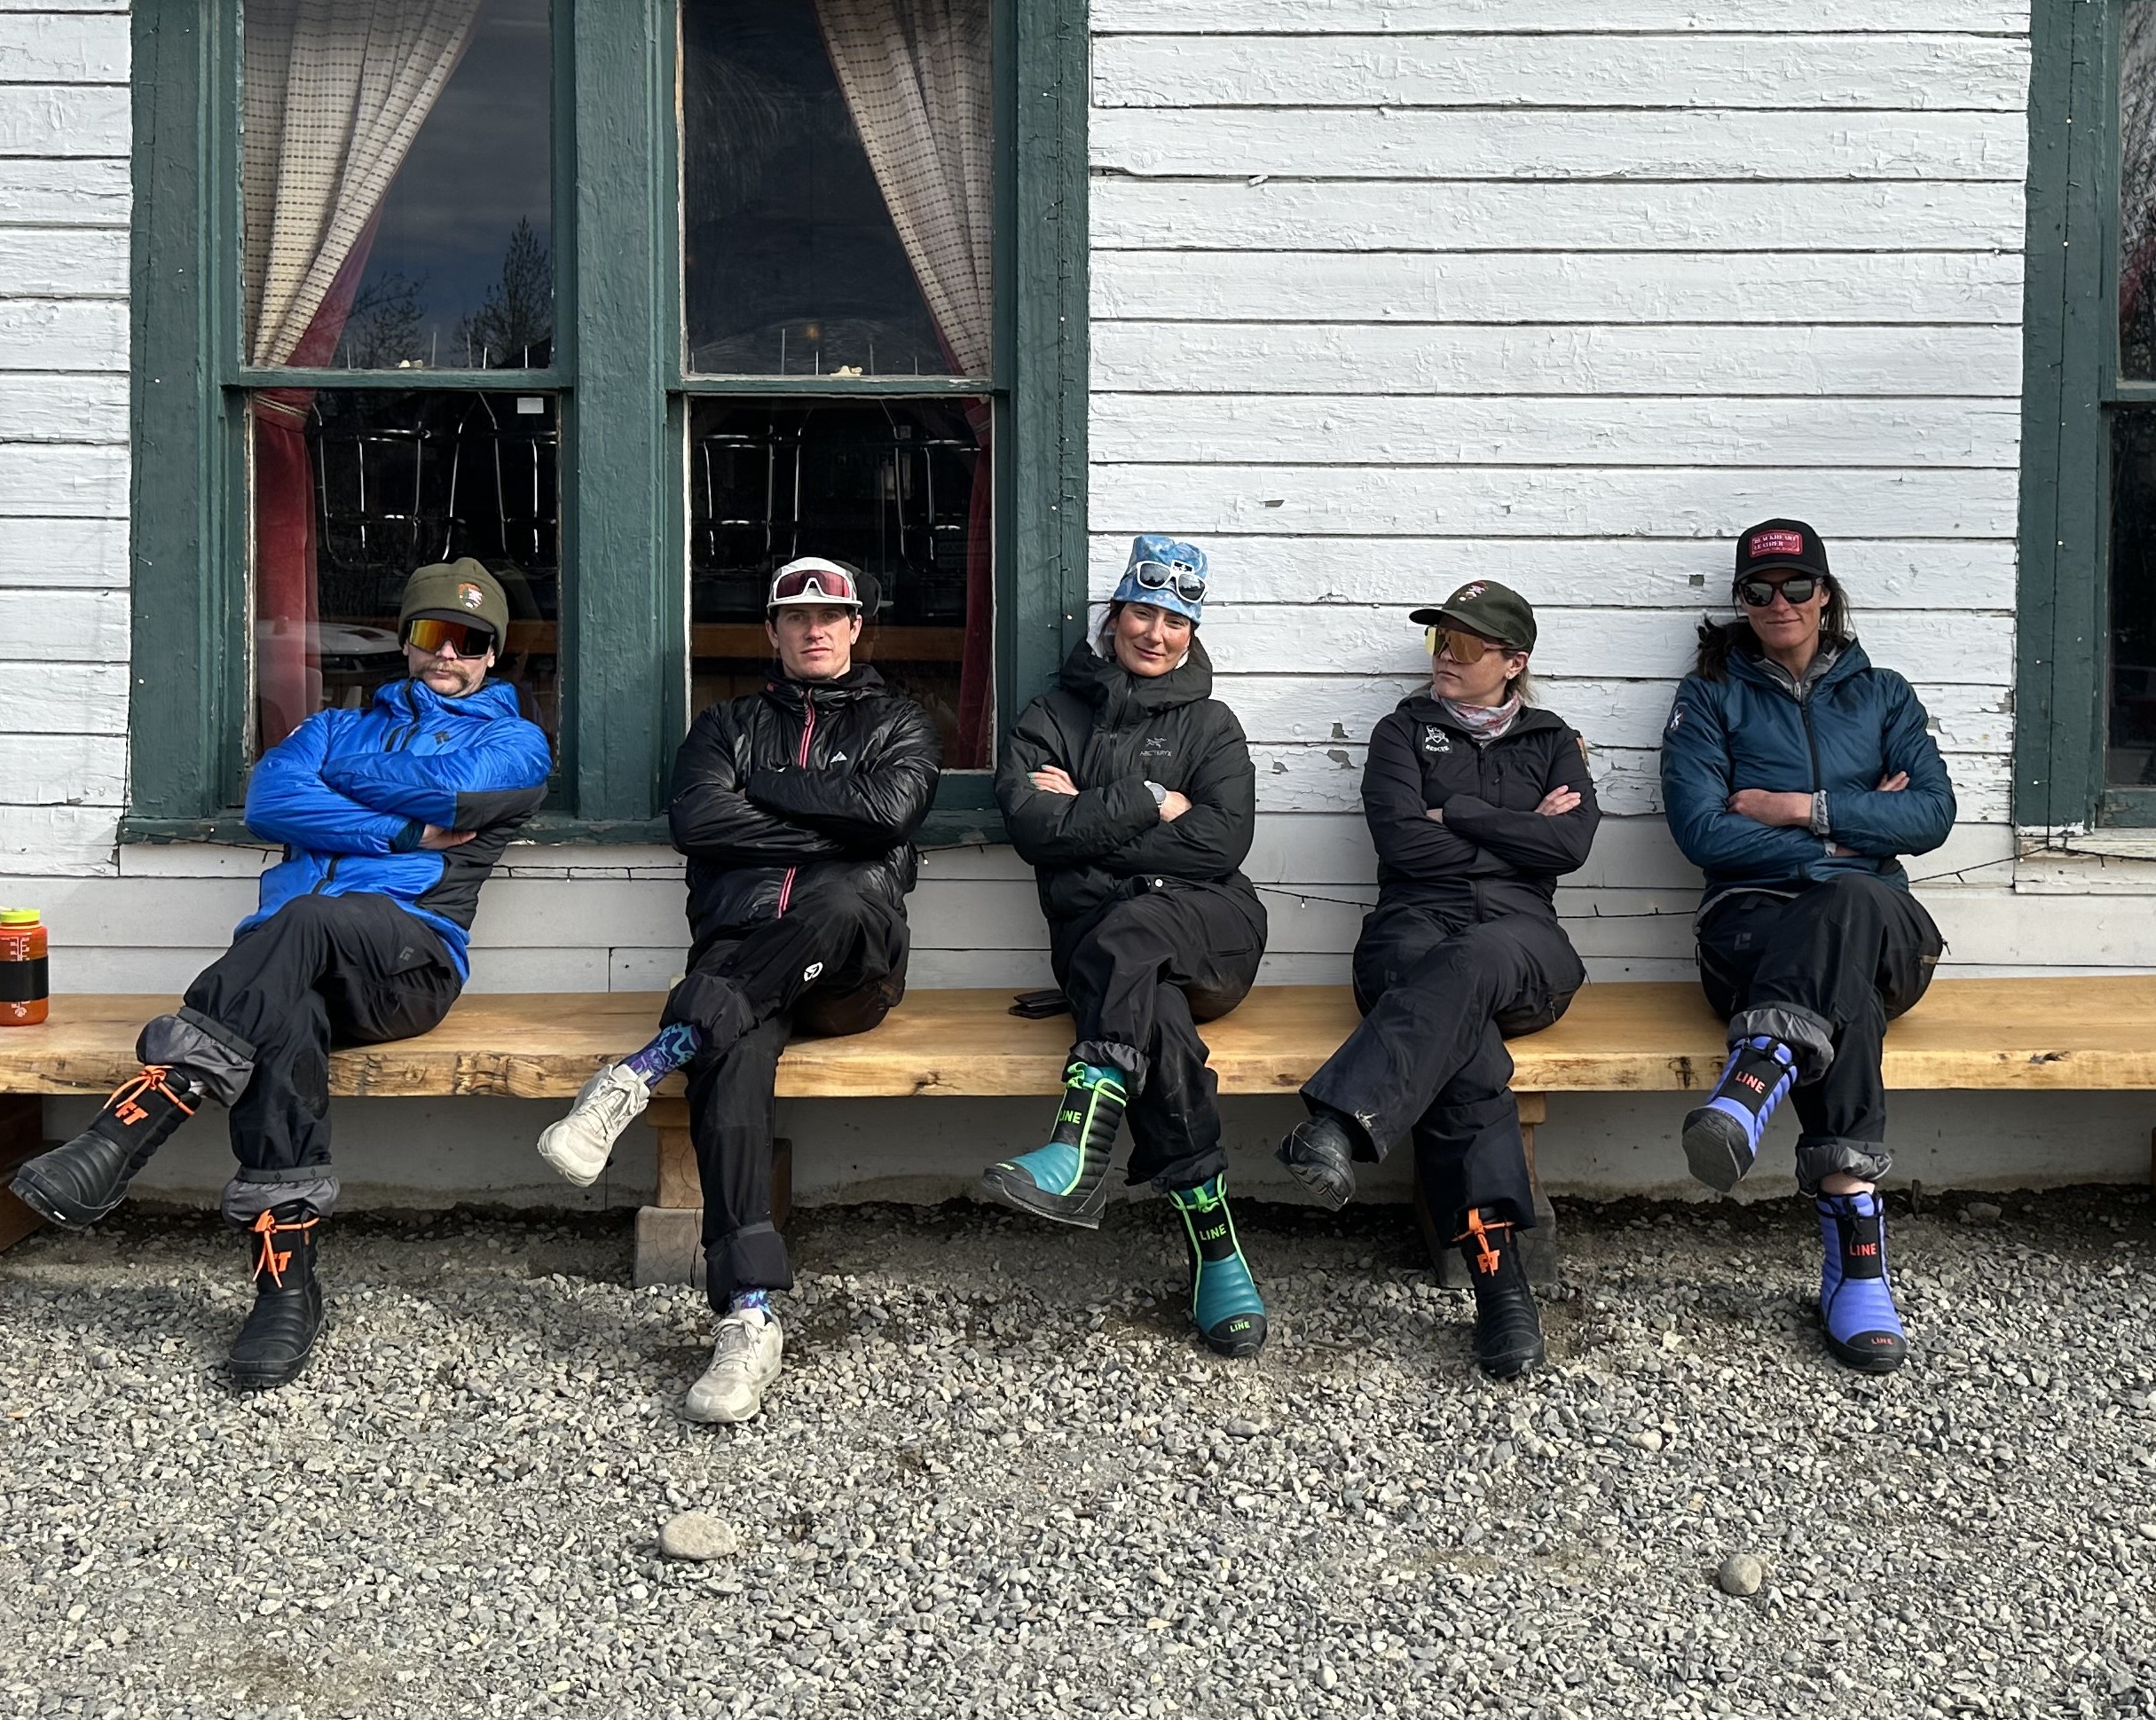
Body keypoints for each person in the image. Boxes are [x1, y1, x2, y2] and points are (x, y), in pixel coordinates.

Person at [9, 561, 550, 1391]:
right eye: (432, 634)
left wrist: (347, 789)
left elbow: (452, 787)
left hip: (409, 964)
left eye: (470, 641)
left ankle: (134, 1122)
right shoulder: (336, 725)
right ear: (407, 642)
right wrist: (405, 832)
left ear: (492, 655)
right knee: (282, 1018)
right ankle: (284, 1289)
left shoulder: (513, 742)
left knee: (303, 920)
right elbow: (271, 802)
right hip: (286, 970)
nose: (449, 655)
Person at [533, 557, 935, 1424]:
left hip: (850, 968)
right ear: (772, 631)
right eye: (796, 616)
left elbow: (891, 815)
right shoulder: (725, 727)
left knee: (852, 890)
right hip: (741, 954)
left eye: (832, 614)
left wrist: (776, 797)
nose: (814, 629)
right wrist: (839, 819)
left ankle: (641, 1068)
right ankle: (748, 1316)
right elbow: (699, 820)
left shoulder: (899, 721)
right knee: (734, 1053)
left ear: (858, 626)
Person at [1279, 579, 1597, 1380]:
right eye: (1438, 642)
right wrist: (1522, 830)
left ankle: (1341, 1121)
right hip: (1411, 926)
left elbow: (1572, 850)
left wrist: (1453, 812)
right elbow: (1402, 847)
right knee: (1467, 1042)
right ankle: (1500, 1280)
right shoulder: (1400, 733)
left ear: (1513, 663)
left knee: (1471, 965)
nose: (1443, 659)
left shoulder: (1554, 740)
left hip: (1524, 943)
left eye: (1462, 646)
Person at [1660, 517, 1955, 1376]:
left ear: (1826, 594)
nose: (1778, 603)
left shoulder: (1884, 694)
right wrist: (1858, 828)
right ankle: (1857, 1261)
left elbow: (1932, 815)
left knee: (1854, 903)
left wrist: (1798, 809)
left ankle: (1756, 1077)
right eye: (1759, 590)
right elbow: (1702, 831)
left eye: (1796, 587)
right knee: (1844, 978)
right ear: (1741, 601)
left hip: (1884, 924)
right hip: (1752, 931)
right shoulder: (1710, 696)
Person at [983, 537, 1273, 1357]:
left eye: (1177, 620)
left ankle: (1079, 1146)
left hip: (1213, 931)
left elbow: (1221, 846)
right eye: (1143, 612)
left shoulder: (1212, 725)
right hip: (1108, 957)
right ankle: (1218, 1252)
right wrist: (1150, 800)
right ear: (1114, 616)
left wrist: (1092, 819)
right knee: (1161, 1024)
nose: (1157, 633)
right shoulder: (1051, 717)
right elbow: (1032, 829)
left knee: (1130, 930)